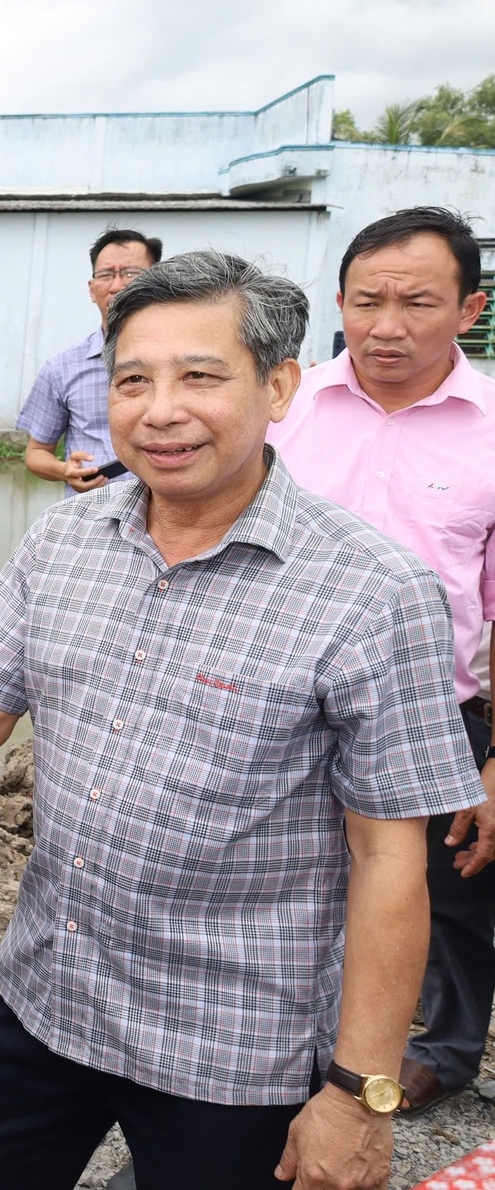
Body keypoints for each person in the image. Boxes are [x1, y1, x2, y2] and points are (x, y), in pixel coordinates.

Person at [0, 251, 482, 1190]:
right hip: (49, 992)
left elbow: (388, 859)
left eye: (200, 376)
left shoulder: (373, 592)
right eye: (134, 380)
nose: (160, 410)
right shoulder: (67, 537)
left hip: (234, 1040)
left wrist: (356, 1091)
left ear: (279, 386)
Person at [269, 206, 495, 1116]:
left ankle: (445, 1048)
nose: (387, 326)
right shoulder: (285, 410)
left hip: (436, 711)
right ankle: (291, 1054)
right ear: (340, 302)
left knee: (448, 899)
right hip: (280, 700)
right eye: (368, 301)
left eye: (417, 303)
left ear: (470, 309)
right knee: (291, 888)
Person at [19, 228, 162, 496]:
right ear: (92, 289)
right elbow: (36, 453)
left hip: (168, 515)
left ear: (157, 282)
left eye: (131, 273)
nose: (117, 285)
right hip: (90, 520)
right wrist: (64, 470)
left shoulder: (183, 363)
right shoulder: (62, 368)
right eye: (106, 274)